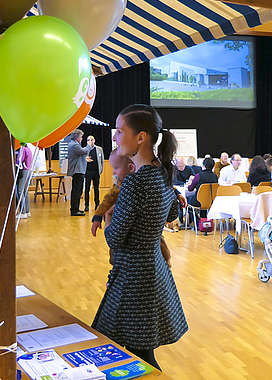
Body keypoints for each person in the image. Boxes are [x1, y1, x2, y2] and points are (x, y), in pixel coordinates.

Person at [92, 104, 188, 370]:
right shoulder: (162, 173)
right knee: (140, 354)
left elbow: (115, 238)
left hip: (134, 281)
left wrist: (109, 216)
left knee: (135, 357)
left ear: (141, 137)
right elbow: (171, 215)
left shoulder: (136, 181)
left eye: (120, 131)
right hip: (153, 273)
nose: (115, 137)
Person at [67, 129, 92, 216]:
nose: (82, 138)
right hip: (77, 171)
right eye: (81, 137)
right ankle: (74, 210)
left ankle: (76, 208)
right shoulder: (74, 145)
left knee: (78, 190)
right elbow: (85, 151)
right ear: (77, 137)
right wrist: (89, 145)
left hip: (79, 170)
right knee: (77, 190)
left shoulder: (74, 144)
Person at [84, 135, 104, 212]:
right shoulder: (85, 150)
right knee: (87, 189)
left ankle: (97, 204)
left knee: (96, 188)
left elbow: (102, 161)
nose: (90, 141)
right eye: (88, 140)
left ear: (94, 140)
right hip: (88, 171)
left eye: (91, 139)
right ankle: (86, 205)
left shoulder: (99, 149)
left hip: (96, 172)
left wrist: (101, 170)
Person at [15, 142, 33, 219]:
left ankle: (23, 212)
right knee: (25, 191)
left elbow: (19, 160)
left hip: (23, 170)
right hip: (29, 170)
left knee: (20, 190)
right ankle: (27, 211)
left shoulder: (22, 149)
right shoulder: (29, 149)